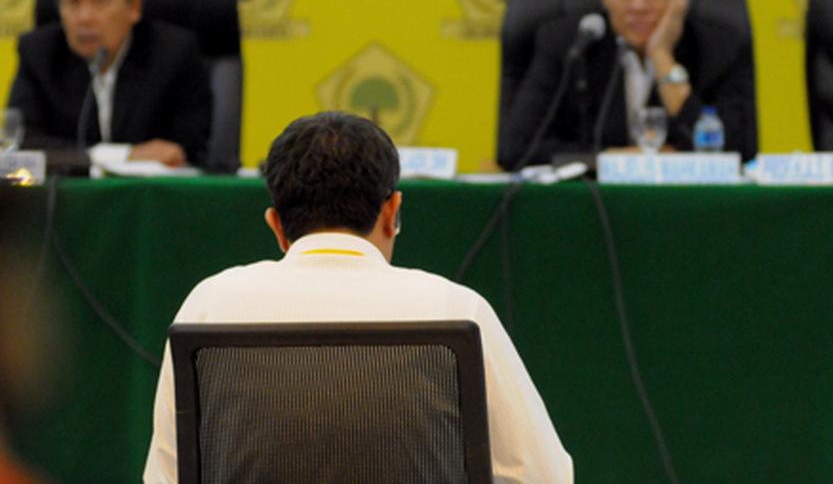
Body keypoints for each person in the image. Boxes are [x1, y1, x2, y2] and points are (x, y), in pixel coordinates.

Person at [143, 112, 572, 484]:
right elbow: (541, 474)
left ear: (276, 226)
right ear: (392, 212)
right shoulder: (456, 308)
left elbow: (168, 474)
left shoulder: (211, 304)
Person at [498, 0, 757, 168]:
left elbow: (737, 151)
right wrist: (618, 161)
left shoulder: (718, 48)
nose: (638, 6)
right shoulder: (571, 44)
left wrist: (661, 56)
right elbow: (516, 150)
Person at [6, 0, 211, 167]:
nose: (84, 17)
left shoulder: (174, 54)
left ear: (134, 7)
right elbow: (21, 144)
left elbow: (186, 148)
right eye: (73, 2)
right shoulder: (39, 53)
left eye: (99, 1)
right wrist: (120, 155)